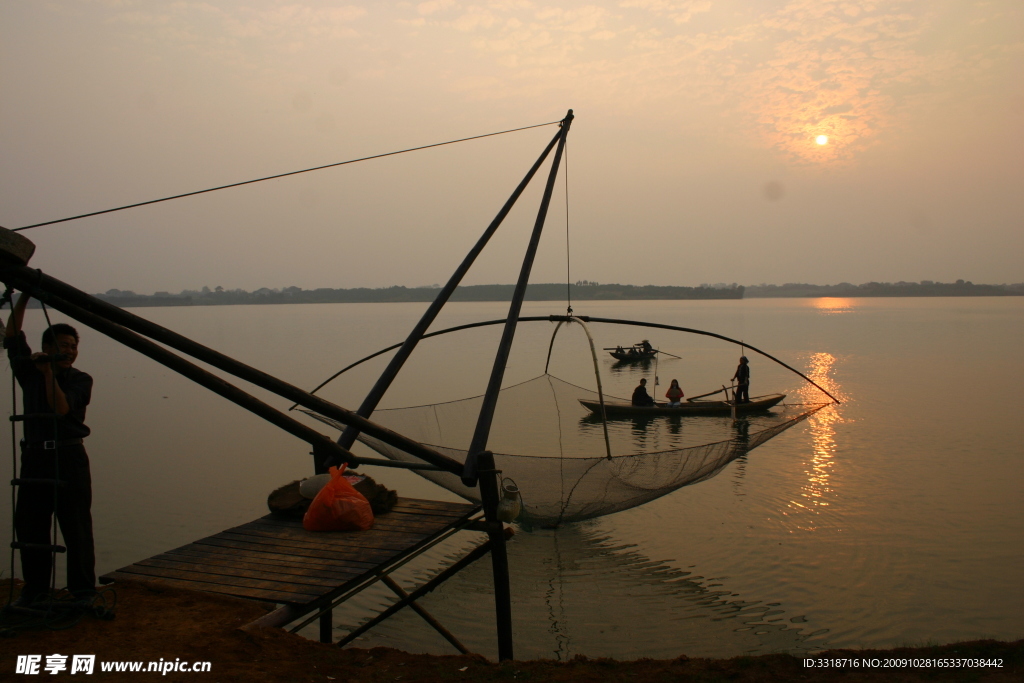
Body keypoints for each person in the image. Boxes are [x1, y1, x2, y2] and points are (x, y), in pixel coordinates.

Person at [3, 291, 96, 606]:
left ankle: (82, 593)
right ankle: (35, 590)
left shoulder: (80, 379)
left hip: (69, 457)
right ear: (47, 347)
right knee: (30, 527)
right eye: (64, 345)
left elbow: (60, 409)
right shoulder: (28, 370)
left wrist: (48, 375)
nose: (70, 351)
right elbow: (13, 336)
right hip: (34, 456)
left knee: (76, 527)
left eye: (74, 346)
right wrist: (24, 293)